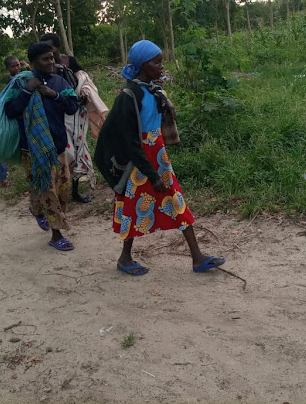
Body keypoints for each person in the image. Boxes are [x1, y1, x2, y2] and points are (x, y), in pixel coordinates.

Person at [94, 40, 226, 276]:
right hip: (138, 163)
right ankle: (125, 258)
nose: (161, 66)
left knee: (176, 201)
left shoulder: (152, 90)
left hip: (158, 156)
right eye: (157, 62)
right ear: (143, 66)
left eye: (161, 61)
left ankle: (197, 257)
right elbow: (131, 142)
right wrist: (151, 174)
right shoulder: (128, 96)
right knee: (132, 209)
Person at [4, 42, 80, 251]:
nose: (51, 62)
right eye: (46, 59)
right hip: (32, 149)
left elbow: (73, 107)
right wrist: (28, 91)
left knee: (63, 190)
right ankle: (56, 235)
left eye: (52, 58)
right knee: (48, 190)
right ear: (35, 61)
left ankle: (37, 209)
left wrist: (53, 95)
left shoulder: (59, 81)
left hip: (57, 145)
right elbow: (10, 111)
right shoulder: (20, 83)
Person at [39, 33, 94, 203]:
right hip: (54, 116)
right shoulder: (41, 68)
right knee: (61, 153)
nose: (48, 53)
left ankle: (73, 191)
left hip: (73, 112)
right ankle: (54, 192)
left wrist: (84, 96)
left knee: (77, 150)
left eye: (50, 48)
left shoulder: (68, 62)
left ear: (58, 47)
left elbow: (82, 81)